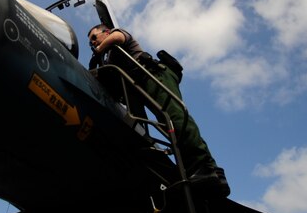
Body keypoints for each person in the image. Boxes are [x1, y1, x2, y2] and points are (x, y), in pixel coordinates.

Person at [88, 23, 229, 197]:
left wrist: (100, 49)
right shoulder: (110, 58)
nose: (93, 43)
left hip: (154, 74)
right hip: (142, 84)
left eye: (95, 37)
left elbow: (117, 38)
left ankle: (208, 168)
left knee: (175, 118)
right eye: (91, 42)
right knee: (168, 128)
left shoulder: (117, 36)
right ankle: (192, 170)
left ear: (106, 31)